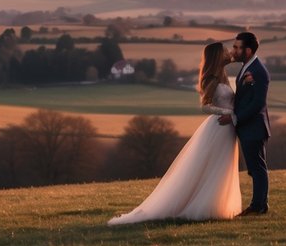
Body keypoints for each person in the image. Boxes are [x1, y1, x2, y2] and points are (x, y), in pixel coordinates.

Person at [107, 42, 241, 225]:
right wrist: (230, 114)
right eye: (225, 50)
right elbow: (205, 106)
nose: (229, 52)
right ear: (217, 55)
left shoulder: (223, 76)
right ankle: (207, 206)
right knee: (215, 166)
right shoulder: (212, 79)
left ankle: (218, 204)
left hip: (227, 128)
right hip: (219, 127)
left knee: (223, 166)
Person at [218, 30, 271, 215]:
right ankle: (259, 205)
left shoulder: (258, 72)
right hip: (248, 128)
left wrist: (234, 118)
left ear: (247, 51)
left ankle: (259, 206)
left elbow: (258, 104)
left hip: (255, 128)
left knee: (257, 168)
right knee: (254, 168)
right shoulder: (247, 67)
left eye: (236, 47)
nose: (233, 50)